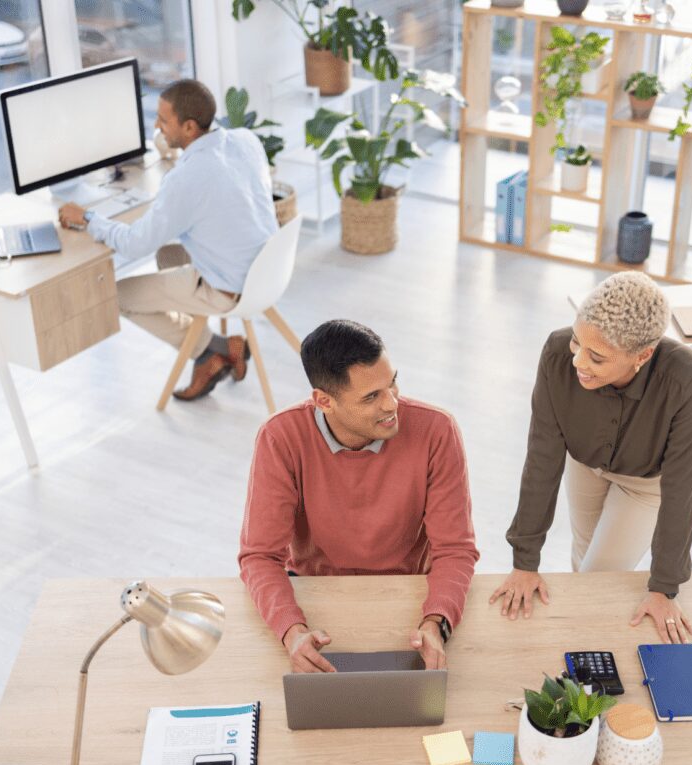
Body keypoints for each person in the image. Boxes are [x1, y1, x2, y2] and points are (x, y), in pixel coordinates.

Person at [238, 320, 479, 673]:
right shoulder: (280, 437)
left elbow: (455, 549)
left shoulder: (437, 431)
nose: (392, 404)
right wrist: (291, 630)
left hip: (409, 596)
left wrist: (436, 620)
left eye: (392, 383)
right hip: (314, 594)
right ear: (324, 401)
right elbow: (259, 555)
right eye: (371, 397)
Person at [490, 272, 692, 644]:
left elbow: (683, 486)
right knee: (584, 558)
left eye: (597, 356)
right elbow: (542, 455)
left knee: (595, 581)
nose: (578, 361)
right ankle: (582, 653)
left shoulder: (686, 378)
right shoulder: (558, 352)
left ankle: (576, 652)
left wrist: (664, 587)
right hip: (585, 464)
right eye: (577, 342)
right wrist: (525, 560)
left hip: (644, 484)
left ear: (642, 355)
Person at [57, 79, 278, 401]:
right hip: (267, 271)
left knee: (116, 295)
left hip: (230, 288)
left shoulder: (186, 179)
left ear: (189, 127)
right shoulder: (244, 140)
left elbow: (134, 244)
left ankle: (209, 354)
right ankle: (216, 347)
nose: (157, 127)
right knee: (168, 256)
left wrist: (88, 218)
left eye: (163, 120)